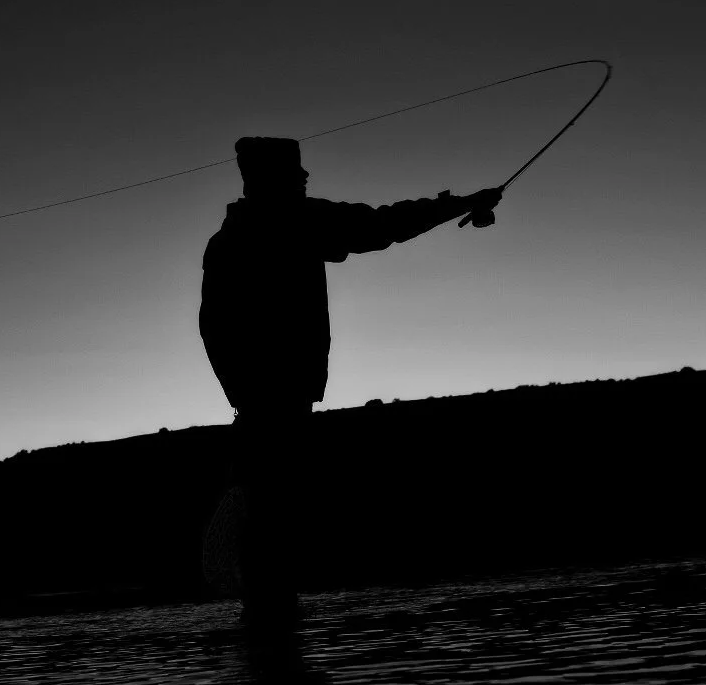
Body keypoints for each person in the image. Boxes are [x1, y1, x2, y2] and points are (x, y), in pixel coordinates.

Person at [199, 136, 502, 618]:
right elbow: (380, 225)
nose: (303, 180)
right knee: (275, 514)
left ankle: (268, 637)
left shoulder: (230, 240)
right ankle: (273, 632)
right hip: (273, 401)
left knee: (270, 512)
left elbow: (212, 329)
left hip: (260, 404)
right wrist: (458, 205)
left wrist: (244, 394)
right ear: (270, 180)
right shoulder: (292, 221)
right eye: (295, 174)